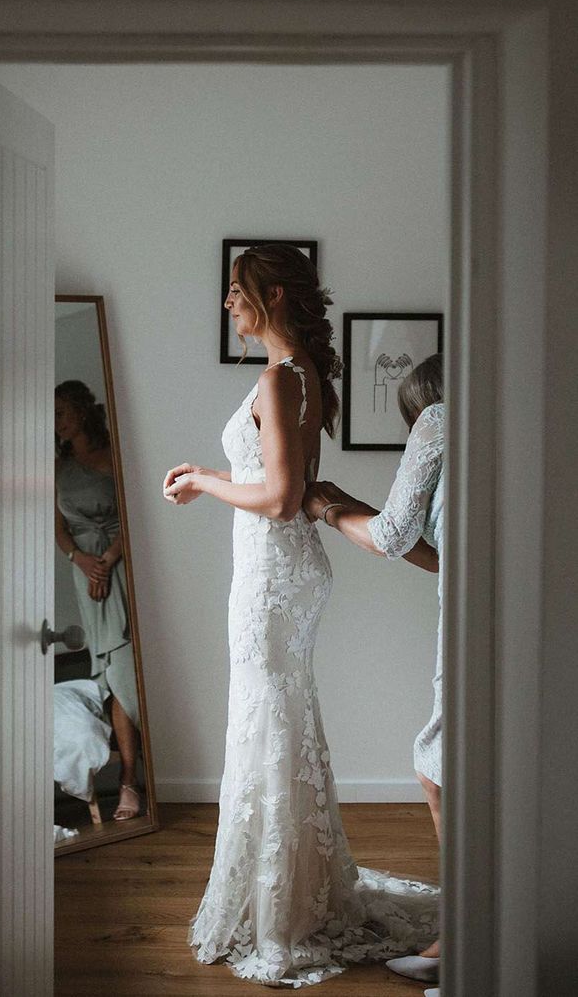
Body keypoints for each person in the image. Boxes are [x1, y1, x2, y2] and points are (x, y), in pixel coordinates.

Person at [163, 245, 437, 987]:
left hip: (271, 578)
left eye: (235, 292)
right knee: (277, 717)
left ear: (272, 295)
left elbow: (283, 498)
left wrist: (216, 489)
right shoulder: (302, 375)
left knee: (267, 719)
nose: (228, 304)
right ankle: (290, 888)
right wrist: (209, 476)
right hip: (283, 572)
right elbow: (277, 479)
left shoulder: (278, 377)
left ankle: (280, 912)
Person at [303, 353, 444, 993]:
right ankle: (468, 926)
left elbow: (389, 536)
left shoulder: (441, 417)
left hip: (479, 620)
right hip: (498, 608)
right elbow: (443, 556)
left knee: (435, 761)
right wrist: (355, 504)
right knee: (448, 761)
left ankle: (461, 935)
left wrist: (328, 511)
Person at [55, 379, 142, 822]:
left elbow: (137, 513)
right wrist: (81, 559)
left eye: (61, 413)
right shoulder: (56, 467)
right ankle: (129, 782)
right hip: (86, 574)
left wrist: (107, 559)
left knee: (131, 670)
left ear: (81, 412)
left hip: (123, 566)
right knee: (110, 673)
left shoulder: (114, 456)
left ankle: (143, 776)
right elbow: (58, 529)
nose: (56, 423)